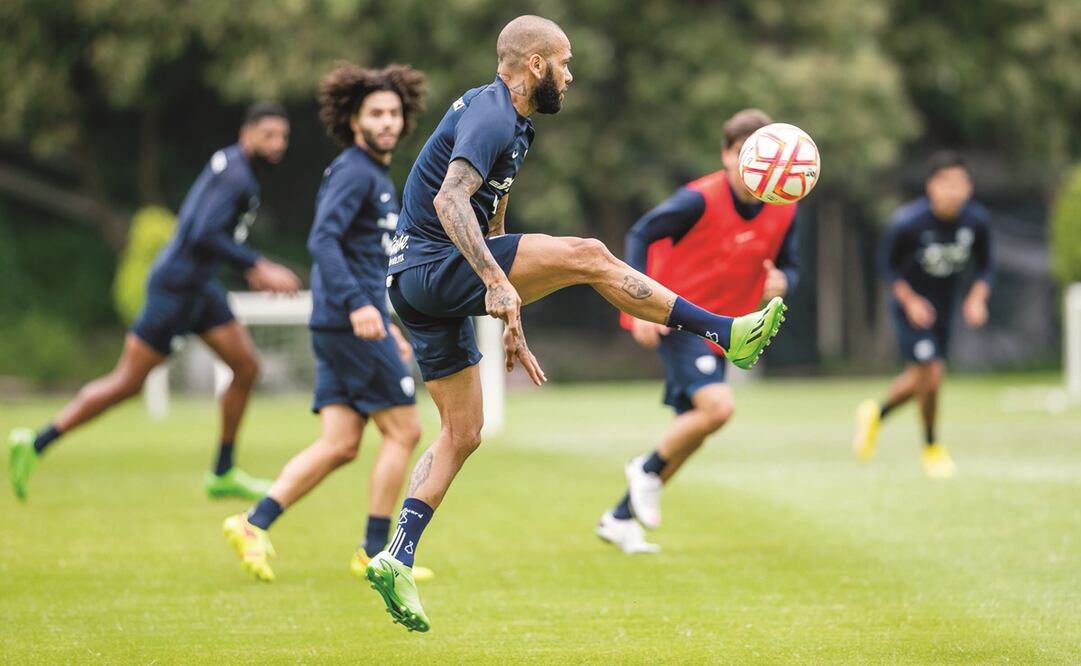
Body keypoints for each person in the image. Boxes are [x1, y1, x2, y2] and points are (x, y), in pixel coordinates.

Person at [364, 15, 787, 633]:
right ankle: (727, 331)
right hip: (434, 268)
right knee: (590, 253)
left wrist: (508, 304)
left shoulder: (516, 126)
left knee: (463, 432)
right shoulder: (492, 114)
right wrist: (496, 281)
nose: (570, 73)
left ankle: (396, 556)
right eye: (564, 62)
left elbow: (493, 214)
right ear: (535, 64)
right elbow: (449, 201)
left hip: (418, 288)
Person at [7, 103, 301, 502]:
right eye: (268, 136)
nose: (277, 145)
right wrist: (258, 265)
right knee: (126, 383)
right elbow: (201, 233)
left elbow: (209, 233)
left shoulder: (232, 165)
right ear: (246, 135)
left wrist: (246, 267)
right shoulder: (238, 178)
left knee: (246, 366)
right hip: (176, 290)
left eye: (283, 137)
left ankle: (222, 471)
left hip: (200, 286)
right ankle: (35, 442)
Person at [222, 63, 435, 583]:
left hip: (350, 320)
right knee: (406, 430)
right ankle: (373, 551)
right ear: (354, 119)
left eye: (393, 113)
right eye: (375, 113)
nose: (387, 122)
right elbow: (323, 241)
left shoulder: (374, 175)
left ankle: (254, 523)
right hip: (349, 321)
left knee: (340, 442)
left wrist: (388, 321)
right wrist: (363, 309)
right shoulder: (355, 171)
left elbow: (363, 258)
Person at [597, 109, 801, 554]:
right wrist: (638, 311)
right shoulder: (699, 199)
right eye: (745, 154)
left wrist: (784, 281)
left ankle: (620, 518)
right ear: (727, 155)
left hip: (729, 331)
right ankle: (644, 470)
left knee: (692, 431)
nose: (755, 166)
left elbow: (791, 264)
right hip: (681, 319)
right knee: (719, 409)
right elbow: (641, 232)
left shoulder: (785, 209)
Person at [853, 151, 993, 478]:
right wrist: (911, 301)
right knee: (932, 374)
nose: (953, 191)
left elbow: (986, 265)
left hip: (944, 308)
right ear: (931, 186)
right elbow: (886, 266)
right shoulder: (908, 222)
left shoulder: (976, 221)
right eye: (946, 184)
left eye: (960, 184)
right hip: (911, 308)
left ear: (969, 188)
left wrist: (977, 297)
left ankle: (876, 413)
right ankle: (932, 447)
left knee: (920, 378)